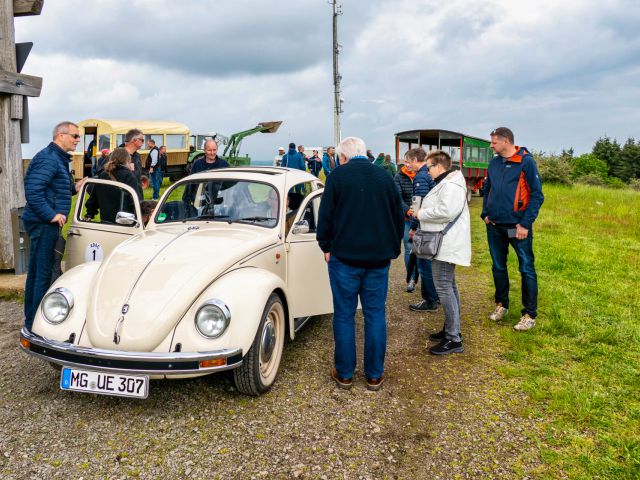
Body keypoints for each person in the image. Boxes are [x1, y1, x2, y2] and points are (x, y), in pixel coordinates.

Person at [317, 136, 404, 391]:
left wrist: (325, 245)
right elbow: (398, 216)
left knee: (344, 315)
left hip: (344, 258)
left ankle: (344, 374)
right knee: (375, 314)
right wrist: (393, 247)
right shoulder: (385, 177)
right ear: (364, 153)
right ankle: (374, 375)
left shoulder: (337, 177)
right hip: (378, 259)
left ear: (343, 157)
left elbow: (326, 216)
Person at [22, 121, 87, 331]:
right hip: (42, 223)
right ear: (61, 135)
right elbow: (33, 191)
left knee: (36, 272)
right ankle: (37, 326)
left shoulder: (57, 158)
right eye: (75, 136)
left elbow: (55, 189)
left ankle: (31, 319)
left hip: (43, 222)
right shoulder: (49, 159)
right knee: (42, 274)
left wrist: (76, 187)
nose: (78, 140)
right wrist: (51, 215)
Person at [482, 127, 544, 331]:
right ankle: (501, 305)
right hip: (495, 226)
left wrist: (525, 224)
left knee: (526, 268)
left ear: (506, 141)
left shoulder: (526, 161)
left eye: (494, 142)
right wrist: (485, 214)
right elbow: (487, 189)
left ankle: (529, 315)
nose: (491, 145)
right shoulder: (493, 163)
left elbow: (537, 195)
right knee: (498, 267)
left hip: (518, 228)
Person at [416, 150, 471, 355]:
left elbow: (445, 212)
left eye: (428, 167)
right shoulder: (449, 183)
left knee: (445, 289)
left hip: (447, 245)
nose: (427, 172)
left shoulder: (450, 185)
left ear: (438, 166)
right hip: (445, 243)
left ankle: (453, 339)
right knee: (450, 287)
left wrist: (420, 213)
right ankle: (451, 329)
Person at [406, 147, 439, 312]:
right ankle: (435, 296)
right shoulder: (428, 174)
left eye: (407, 162)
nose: (406, 165)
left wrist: (413, 227)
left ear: (414, 160)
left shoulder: (420, 177)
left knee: (423, 264)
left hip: (424, 227)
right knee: (428, 263)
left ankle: (430, 300)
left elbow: (418, 205)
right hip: (430, 224)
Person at [85, 147, 141, 223]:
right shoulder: (129, 176)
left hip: (106, 222)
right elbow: (136, 201)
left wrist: (89, 214)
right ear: (127, 160)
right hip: (125, 222)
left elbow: (93, 200)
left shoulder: (103, 175)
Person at [394, 153, 418, 292]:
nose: (406, 164)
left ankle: (426, 280)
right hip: (408, 220)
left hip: (422, 219)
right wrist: (406, 210)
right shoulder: (398, 176)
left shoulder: (424, 175)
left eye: (409, 162)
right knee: (409, 249)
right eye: (405, 162)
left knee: (425, 250)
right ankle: (411, 279)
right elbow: (397, 197)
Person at [121, 129, 144, 198]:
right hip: (123, 199)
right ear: (135, 140)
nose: (143, 143)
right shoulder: (117, 156)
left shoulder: (137, 156)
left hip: (136, 197)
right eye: (142, 140)